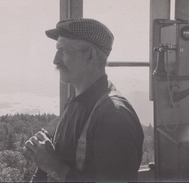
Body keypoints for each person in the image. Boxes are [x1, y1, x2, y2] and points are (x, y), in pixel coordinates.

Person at [24, 18, 144, 182]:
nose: (55, 60)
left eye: (63, 50)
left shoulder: (113, 115)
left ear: (90, 55)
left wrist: (56, 168)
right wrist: (43, 158)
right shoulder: (76, 101)